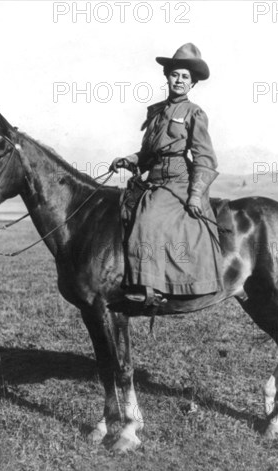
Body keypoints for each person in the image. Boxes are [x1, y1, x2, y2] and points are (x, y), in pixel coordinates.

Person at [111, 43, 223, 306]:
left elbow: (205, 159)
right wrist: (129, 160)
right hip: (154, 180)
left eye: (186, 77)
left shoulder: (194, 113)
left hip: (178, 183)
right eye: (176, 75)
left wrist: (196, 195)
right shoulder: (156, 112)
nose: (180, 80)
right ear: (167, 77)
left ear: (192, 83)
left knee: (148, 219)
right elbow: (148, 154)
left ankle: (151, 287)